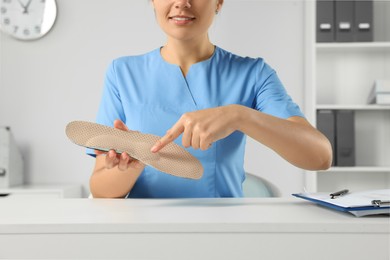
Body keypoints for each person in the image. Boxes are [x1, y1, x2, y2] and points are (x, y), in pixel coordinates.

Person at [88, 0, 332, 198]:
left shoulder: (253, 74)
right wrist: (127, 170)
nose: (181, 3)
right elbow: (100, 189)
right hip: (146, 233)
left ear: (219, 2)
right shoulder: (122, 73)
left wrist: (239, 116)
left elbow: (320, 156)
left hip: (223, 233)